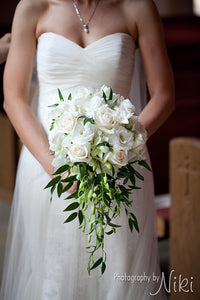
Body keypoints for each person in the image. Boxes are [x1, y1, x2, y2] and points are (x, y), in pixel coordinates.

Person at [0, 0, 174, 299]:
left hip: (119, 165)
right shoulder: (33, 7)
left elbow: (164, 96)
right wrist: (56, 167)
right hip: (47, 165)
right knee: (53, 271)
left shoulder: (138, 7)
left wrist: (116, 145)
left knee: (118, 271)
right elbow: (13, 98)